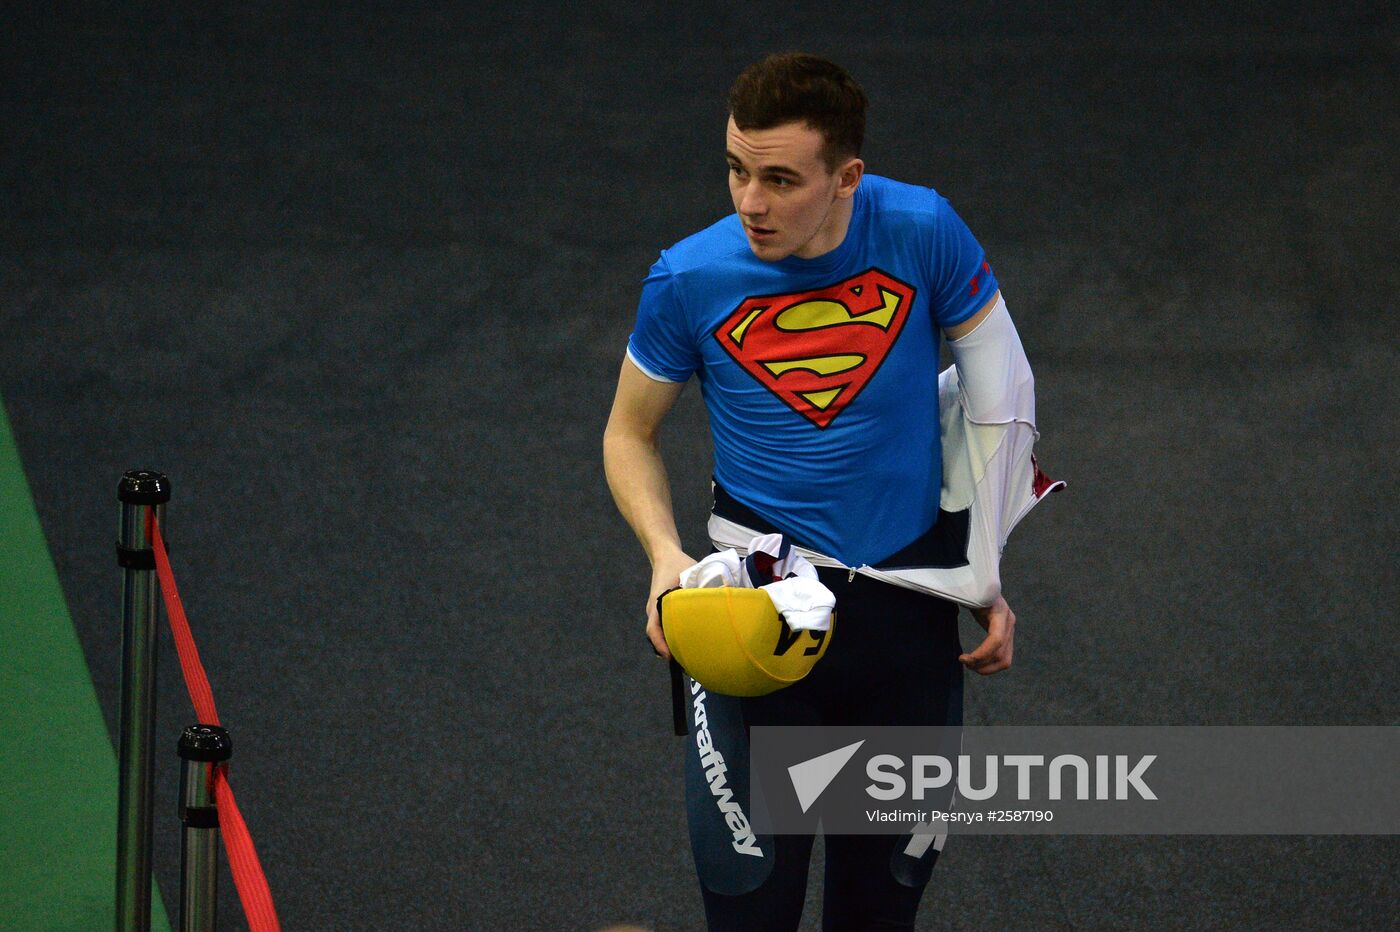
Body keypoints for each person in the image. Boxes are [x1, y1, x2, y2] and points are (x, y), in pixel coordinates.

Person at [603, 52, 1029, 930]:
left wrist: (981, 566)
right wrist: (663, 557)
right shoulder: (689, 278)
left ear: (847, 178)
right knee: (749, 913)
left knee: (878, 918)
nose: (749, 201)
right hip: (754, 632)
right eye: (735, 169)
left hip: (906, 631)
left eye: (779, 178)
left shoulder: (923, 231)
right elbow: (627, 433)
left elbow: (1003, 400)